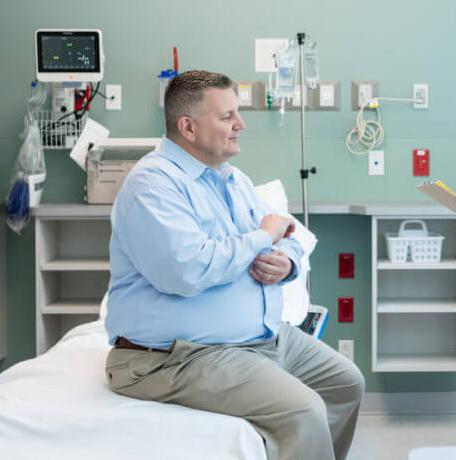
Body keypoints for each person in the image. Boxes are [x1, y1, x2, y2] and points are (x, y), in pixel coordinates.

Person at [103, 70, 364, 460]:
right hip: (175, 356)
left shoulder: (231, 179)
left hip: (258, 340)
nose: (240, 124)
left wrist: (286, 264)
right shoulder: (152, 185)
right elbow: (187, 270)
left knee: (347, 382)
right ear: (188, 127)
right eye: (227, 117)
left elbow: (287, 233)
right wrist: (262, 238)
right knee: (305, 410)